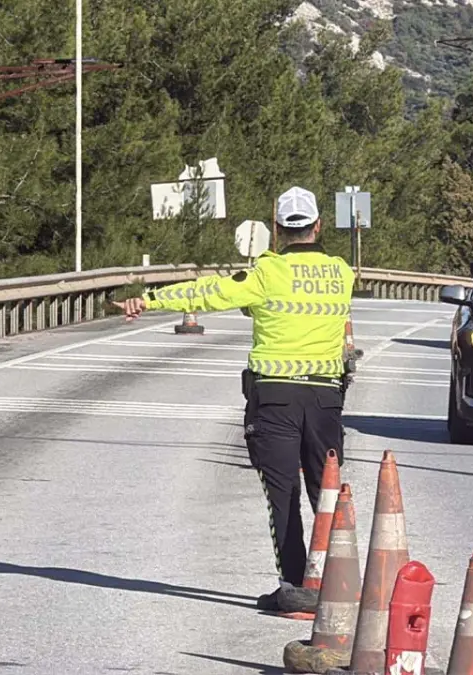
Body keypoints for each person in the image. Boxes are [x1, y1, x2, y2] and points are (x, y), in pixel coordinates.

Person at [112, 186, 355, 612]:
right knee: (327, 494)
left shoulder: (266, 273)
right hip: (325, 400)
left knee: (283, 495)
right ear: (318, 226)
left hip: (276, 399)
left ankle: (297, 586)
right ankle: (338, 585)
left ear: (277, 231)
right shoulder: (341, 274)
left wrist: (148, 299)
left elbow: (207, 293)